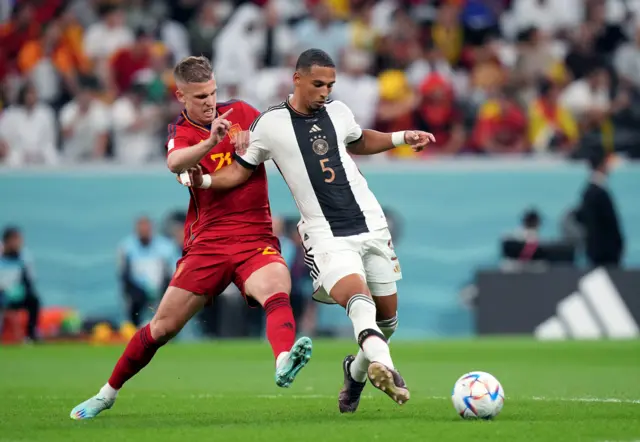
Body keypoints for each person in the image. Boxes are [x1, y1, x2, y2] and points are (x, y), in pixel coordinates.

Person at [179, 49, 435, 413]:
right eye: (318, 84)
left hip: (371, 223)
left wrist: (400, 137)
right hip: (324, 232)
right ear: (296, 79)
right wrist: (202, 179)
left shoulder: (339, 111)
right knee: (356, 298)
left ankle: (358, 370)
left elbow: (359, 140)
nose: (325, 91)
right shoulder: (269, 124)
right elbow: (239, 170)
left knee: (387, 322)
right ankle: (388, 368)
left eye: (331, 84)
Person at [70, 56, 312, 420]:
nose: (210, 102)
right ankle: (107, 394)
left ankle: (282, 361)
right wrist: (210, 142)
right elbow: (175, 163)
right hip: (208, 244)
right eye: (200, 96)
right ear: (180, 95)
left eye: (212, 92)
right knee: (162, 327)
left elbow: (278, 138)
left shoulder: (243, 112)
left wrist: (257, 138)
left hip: (253, 237)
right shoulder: (180, 133)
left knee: (277, 286)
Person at [577, 149, 624, 267]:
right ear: (601, 165)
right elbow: (598, 225)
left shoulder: (593, 191)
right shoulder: (595, 193)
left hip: (602, 252)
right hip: (603, 254)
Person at [0, 226, 41, 343]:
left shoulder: (24, 257)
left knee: (34, 300)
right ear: (6, 241)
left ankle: (31, 335)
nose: (18, 243)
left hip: (16, 294)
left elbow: (30, 280)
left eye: (19, 240)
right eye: (15, 240)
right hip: (1, 293)